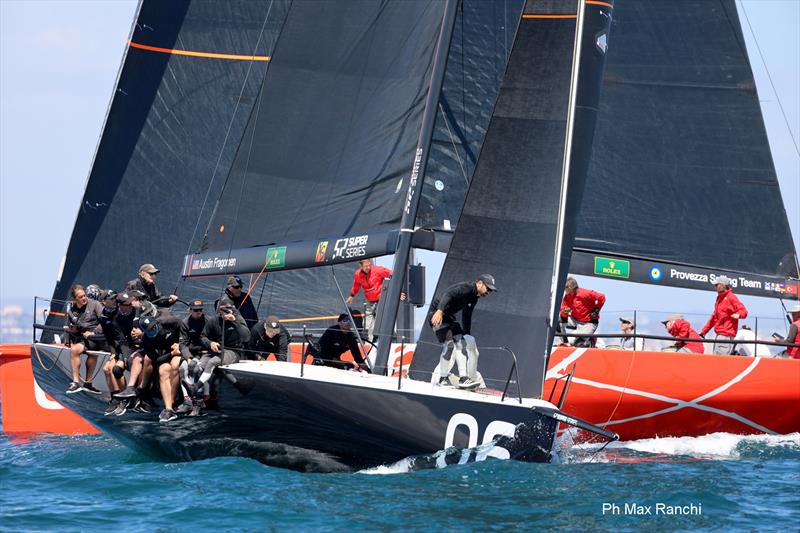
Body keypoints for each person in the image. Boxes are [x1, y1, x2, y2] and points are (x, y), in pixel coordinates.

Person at [429, 274, 496, 390]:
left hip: (449, 318)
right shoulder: (467, 288)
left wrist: (467, 334)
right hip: (436, 315)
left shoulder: (474, 297)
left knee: (461, 343)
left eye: (490, 291)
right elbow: (448, 293)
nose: (488, 292)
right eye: (488, 288)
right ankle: (442, 379)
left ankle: (463, 378)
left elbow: (466, 316)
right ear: (479, 283)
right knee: (449, 345)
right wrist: (439, 311)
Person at [137, 316, 183, 422]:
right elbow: (155, 360)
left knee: (175, 365)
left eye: (153, 327)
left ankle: (173, 401)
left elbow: (186, 332)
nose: (152, 330)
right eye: (149, 330)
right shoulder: (146, 340)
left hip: (179, 350)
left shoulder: (172, 322)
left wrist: (181, 344)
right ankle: (169, 408)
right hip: (165, 355)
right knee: (163, 370)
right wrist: (171, 353)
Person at [65, 284, 109, 394]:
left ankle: (88, 383)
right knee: (75, 350)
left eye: (84, 295)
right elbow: (74, 329)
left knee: (92, 353)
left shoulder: (95, 304)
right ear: (75, 299)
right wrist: (73, 330)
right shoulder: (71, 312)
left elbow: (105, 322)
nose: (84, 298)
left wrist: (93, 333)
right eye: (80, 297)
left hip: (98, 337)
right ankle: (75, 382)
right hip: (83, 338)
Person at [345, 259, 393, 342]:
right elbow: (356, 285)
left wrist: (396, 291)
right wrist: (352, 295)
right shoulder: (358, 274)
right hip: (369, 300)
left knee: (379, 319)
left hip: (380, 298)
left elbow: (392, 274)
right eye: (366, 266)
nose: (368, 267)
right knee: (367, 322)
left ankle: (381, 340)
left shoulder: (378, 270)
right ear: (361, 266)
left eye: (369, 265)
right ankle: (370, 341)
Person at [700, 275, 748, 355]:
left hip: (726, 335)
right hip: (720, 335)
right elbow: (714, 317)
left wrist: (739, 315)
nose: (715, 287)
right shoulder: (719, 298)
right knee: (717, 360)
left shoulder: (731, 297)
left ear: (723, 285)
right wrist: (704, 331)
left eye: (716, 285)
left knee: (720, 361)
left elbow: (744, 311)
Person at [559, 277, 605, 347]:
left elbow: (602, 297)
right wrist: (564, 317)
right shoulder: (567, 296)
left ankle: (591, 340)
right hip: (575, 320)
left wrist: (596, 310)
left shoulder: (584, 293)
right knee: (557, 323)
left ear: (570, 287)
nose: (564, 290)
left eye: (565, 287)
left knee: (578, 344)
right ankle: (566, 342)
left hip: (589, 322)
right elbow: (564, 308)